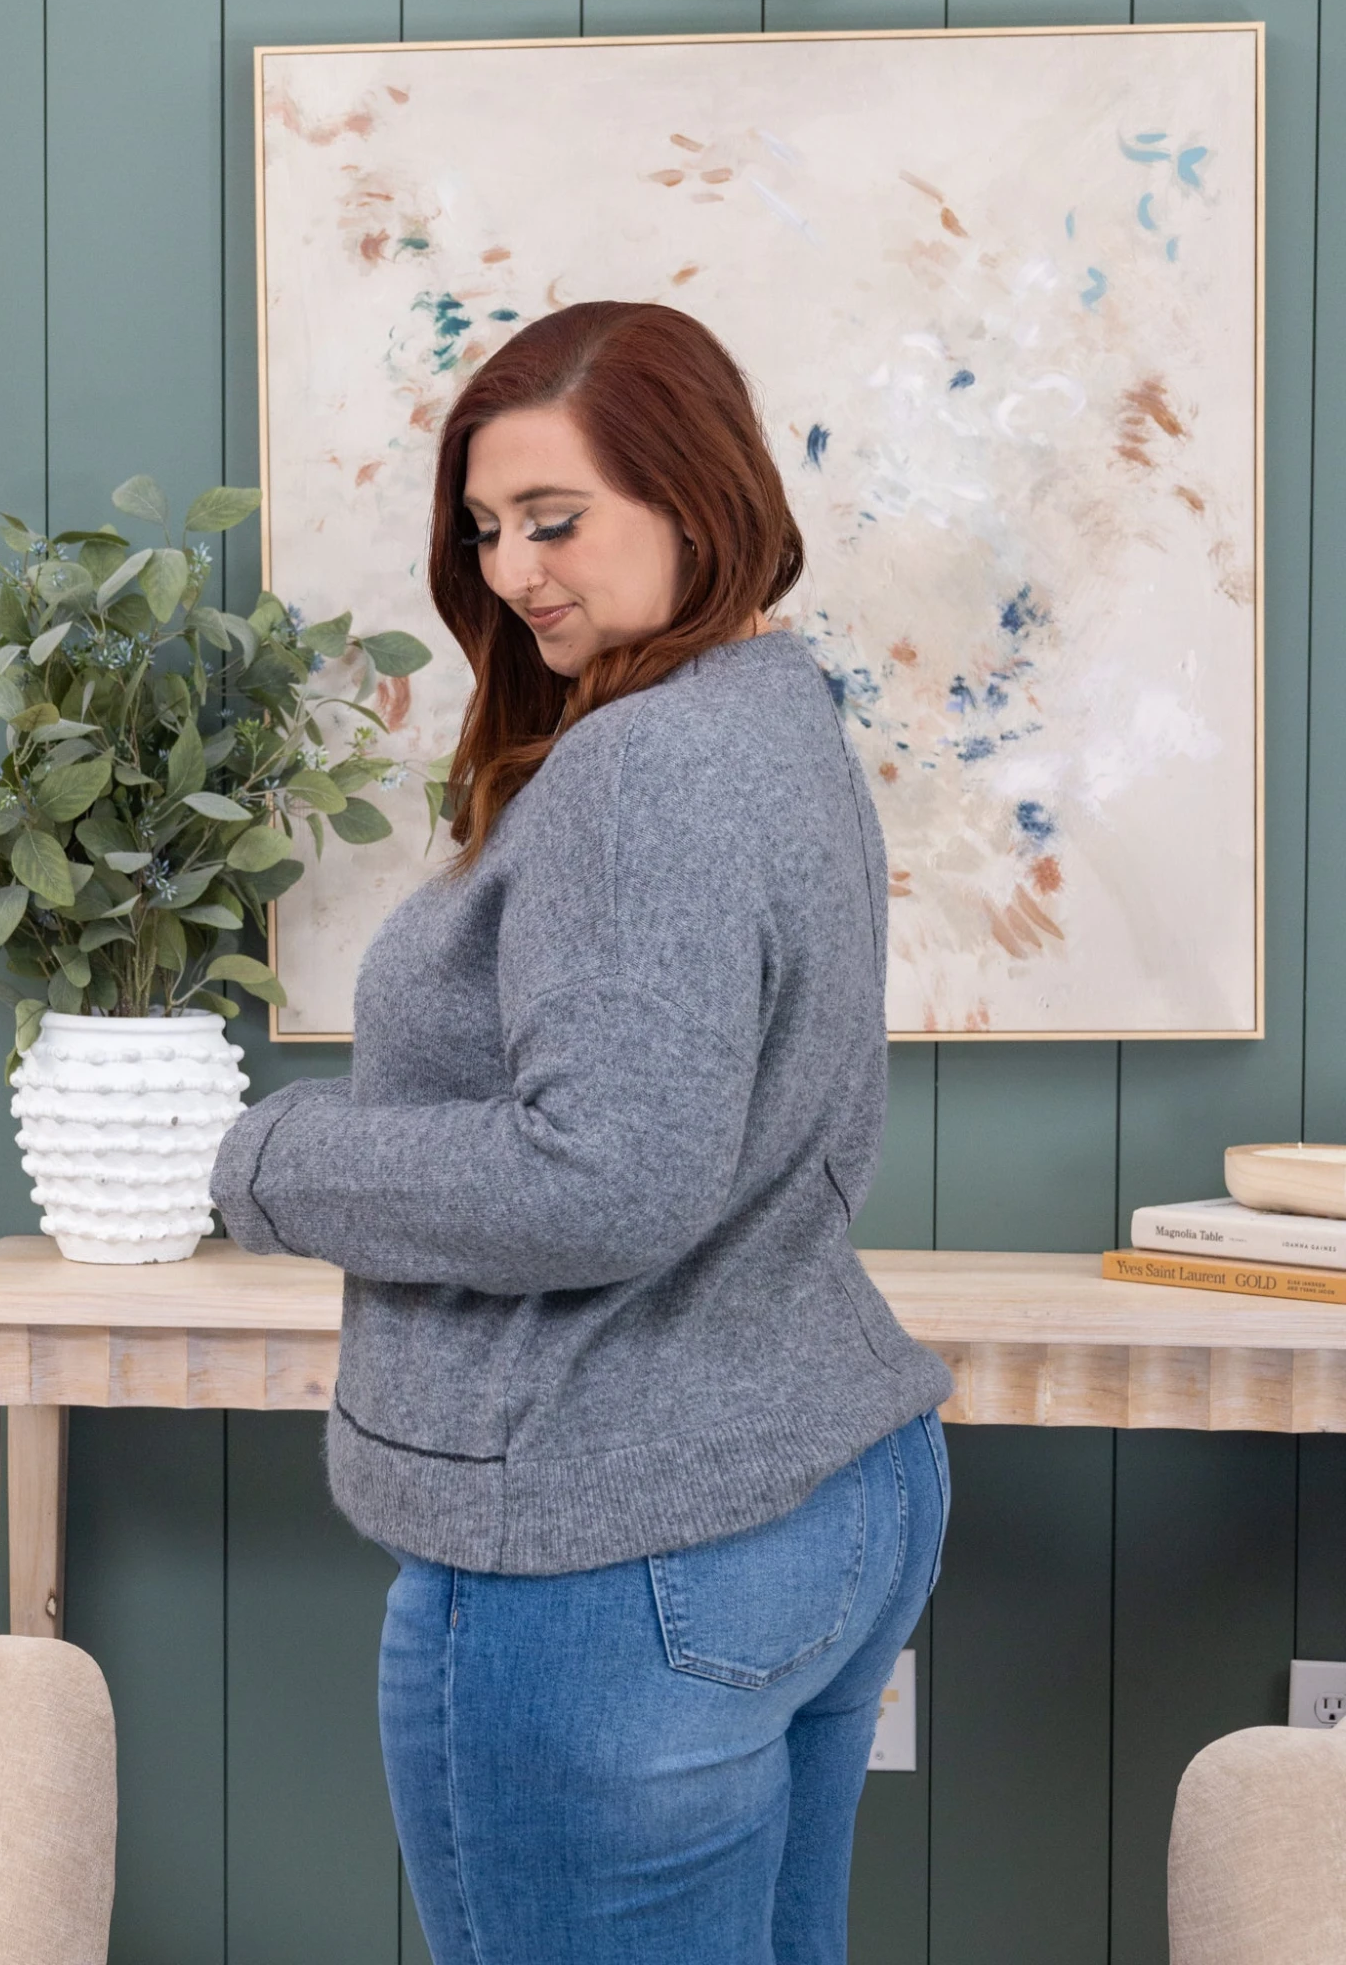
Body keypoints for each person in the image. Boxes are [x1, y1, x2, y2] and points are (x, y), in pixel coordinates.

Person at [209, 299, 954, 1965]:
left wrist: (261, 1159)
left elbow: (601, 1175)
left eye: (556, 519)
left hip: (619, 1543)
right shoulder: (773, 720)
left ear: (696, 498)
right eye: (488, 529)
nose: (515, 570)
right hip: (824, 1489)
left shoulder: (644, 768)